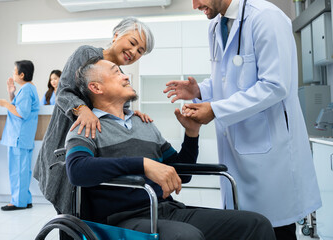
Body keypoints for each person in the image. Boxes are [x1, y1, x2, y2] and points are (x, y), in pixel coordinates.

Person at [64, 56, 276, 240]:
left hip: (166, 210)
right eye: (116, 72)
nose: (126, 76)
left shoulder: (143, 124)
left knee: (256, 223)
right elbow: (77, 170)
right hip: (122, 219)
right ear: (96, 87)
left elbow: (181, 174)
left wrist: (191, 134)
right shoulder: (86, 126)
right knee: (186, 236)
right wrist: (143, 165)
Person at [163, 0, 322, 239]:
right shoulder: (216, 25)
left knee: (274, 229)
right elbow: (229, 80)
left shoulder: (266, 17)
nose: (195, 5)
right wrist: (200, 91)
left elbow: (275, 85)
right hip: (236, 152)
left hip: (269, 155)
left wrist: (216, 110)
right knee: (244, 227)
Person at [33, 17, 155, 216]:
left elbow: (117, 111)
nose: (134, 52)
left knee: (85, 211)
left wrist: (131, 114)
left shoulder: (121, 76)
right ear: (116, 35)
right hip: (67, 147)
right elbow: (64, 92)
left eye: (140, 51)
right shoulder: (87, 54)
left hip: (93, 154)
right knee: (70, 212)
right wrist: (82, 109)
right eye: (132, 43)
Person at [0, 60, 39, 211]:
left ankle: (18, 202)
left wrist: (5, 103)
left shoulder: (26, 90)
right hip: (22, 137)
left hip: (18, 137)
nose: (13, 74)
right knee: (23, 170)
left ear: (22, 74)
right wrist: (11, 92)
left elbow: (21, 113)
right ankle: (25, 199)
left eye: (14, 71)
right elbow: (19, 107)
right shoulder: (28, 88)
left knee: (18, 170)